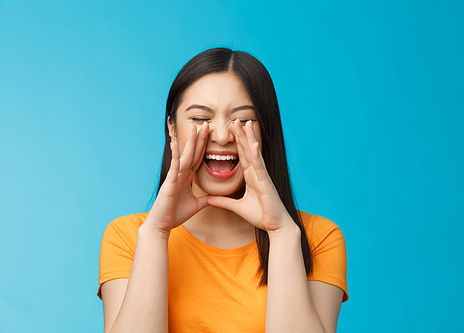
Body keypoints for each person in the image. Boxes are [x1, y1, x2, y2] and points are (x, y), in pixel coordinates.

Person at [98, 48, 348, 333]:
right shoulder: (128, 237)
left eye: (244, 120)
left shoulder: (318, 239)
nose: (221, 135)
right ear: (172, 129)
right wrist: (156, 233)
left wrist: (281, 234)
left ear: (267, 131)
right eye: (199, 119)